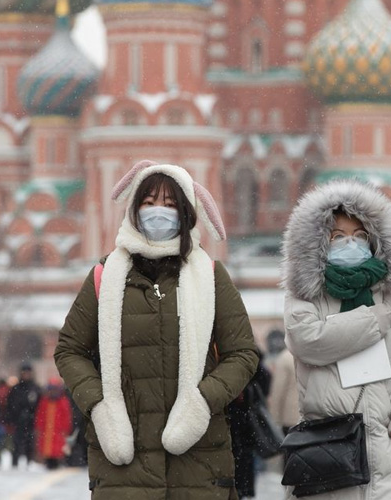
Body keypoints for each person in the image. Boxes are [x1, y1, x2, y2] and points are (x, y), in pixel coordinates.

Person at [54, 160, 259, 498]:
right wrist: (100, 406)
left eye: (169, 204)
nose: (158, 212)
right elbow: (69, 350)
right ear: (133, 210)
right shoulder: (106, 277)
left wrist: (202, 402)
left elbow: (242, 353)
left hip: (198, 460)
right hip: (123, 463)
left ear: (187, 213)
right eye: (148, 203)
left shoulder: (209, 276)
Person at [281, 180, 391, 499]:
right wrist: (373, 319)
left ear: (374, 242)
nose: (350, 244)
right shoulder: (306, 298)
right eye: (338, 237)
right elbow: (309, 341)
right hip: (326, 458)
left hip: (388, 459)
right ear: (318, 244)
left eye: (359, 237)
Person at [229, 358, 271, 498]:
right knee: (242, 458)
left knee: (240, 458)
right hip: (242, 420)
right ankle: (242, 491)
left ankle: (241, 491)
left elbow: (264, 378)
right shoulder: (247, 355)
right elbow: (265, 379)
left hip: (238, 420)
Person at [7, 363, 41, 469]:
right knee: (16, 443)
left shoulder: (35, 388)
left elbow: (39, 406)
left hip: (31, 421)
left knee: (29, 443)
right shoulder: (16, 389)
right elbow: (10, 404)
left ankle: (29, 462)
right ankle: (15, 463)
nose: (26, 375)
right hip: (18, 422)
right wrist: (13, 418)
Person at [35, 378, 73, 470]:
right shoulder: (44, 401)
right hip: (47, 430)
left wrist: (66, 429)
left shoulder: (63, 402)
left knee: (57, 449)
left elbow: (66, 417)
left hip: (58, 431)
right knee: (47, 448)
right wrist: (39, 427)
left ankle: (56, 462)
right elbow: (40, 416)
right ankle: (49, 462)